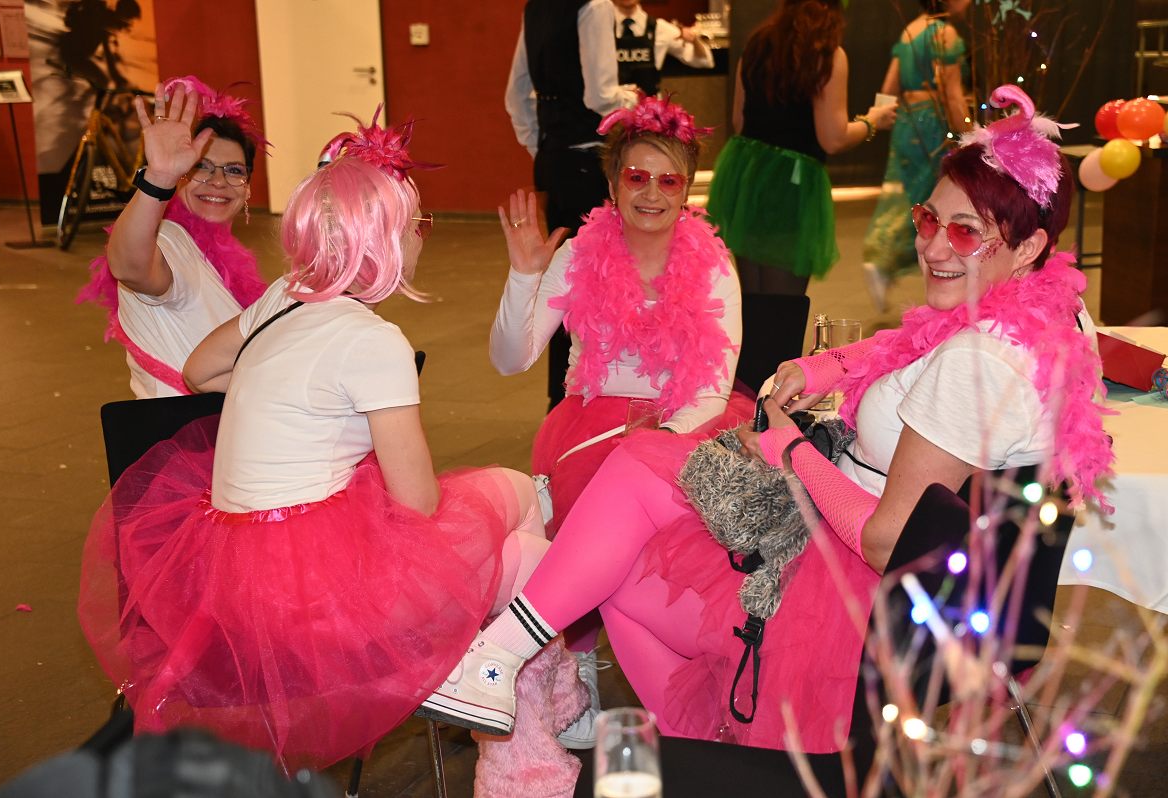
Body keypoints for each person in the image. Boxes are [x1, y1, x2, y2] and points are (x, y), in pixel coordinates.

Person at [418, 85, 1113, 755]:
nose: (933, 247)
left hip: (857, 599)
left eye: (965, 232)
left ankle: (681, 740)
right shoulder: (1041, 317)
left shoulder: (979, 365)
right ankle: (518, 666)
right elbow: (911, 340)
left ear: (1026, 249)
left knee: (620, 558)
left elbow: (885, 541)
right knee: (633, 482)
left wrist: (790, 452)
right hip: (897, 571)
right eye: (928, 220)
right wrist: (829, 365)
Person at [77, 113, 553, 770]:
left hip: (225, 582)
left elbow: (199, 371)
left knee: (524, 548)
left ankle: (505, 697)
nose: (422, 237)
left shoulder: (283, 297)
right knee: (522, 505)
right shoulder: (373, 341)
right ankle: (513, 714)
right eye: (416, 224)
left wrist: (290, 385)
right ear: (383, 239)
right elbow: (417, 503)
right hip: (308, 600)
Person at [488, 94, 751, 747]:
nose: (652, 194)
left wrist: (658, 444)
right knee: (586, 501)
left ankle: (694, 672)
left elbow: (714, 389)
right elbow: (511, 359)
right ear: (612, 183)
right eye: (637, 176)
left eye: (670, 181)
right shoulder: (580, 253)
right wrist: (522, 277)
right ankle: (577, 673)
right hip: (591, 425)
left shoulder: (714, 264)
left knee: (682, 533)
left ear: (687, 189)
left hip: (684, 423)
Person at [77, 76, 268, 398]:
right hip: (189, 425)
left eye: (234, 170)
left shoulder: (226, 256)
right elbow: (129, 267)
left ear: (248, 187)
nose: (218, 181)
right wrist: (158, 179)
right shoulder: (169, 241)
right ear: (181, 175)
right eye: (201, 167)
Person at [705, 0, 897, 297]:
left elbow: (739, 122)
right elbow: (833, 138)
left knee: (752, 300)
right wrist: (872, 121)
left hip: (747, 177)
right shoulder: (827, 55)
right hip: (791, 186)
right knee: (784, 306)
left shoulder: (758, 43)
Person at [505, 0, 639, 410]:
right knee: (597, 282)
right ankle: (591, 394)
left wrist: (542, 148)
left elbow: (515, 96)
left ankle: (561, 398)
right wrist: (635, 99)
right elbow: (602, 96)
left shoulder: (537, 6)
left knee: (563, 281)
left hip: (556, 160)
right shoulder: (595, 5)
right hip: (589, 162)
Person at [863, 0, 971, 311]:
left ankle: (882, 258)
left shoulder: (910, 29)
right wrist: (969, 136)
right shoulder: (945, 34)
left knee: (909, 195)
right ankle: (887, 261)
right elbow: (952, 95)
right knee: (932, 200)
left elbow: (888, 87)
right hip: (931, 125)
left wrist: (879, 120)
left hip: (906, 123)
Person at [611, 0, 715, 98]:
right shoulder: (603, 27)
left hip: (650, 106)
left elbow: (704, 61)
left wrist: (694, 40)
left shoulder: (660, 28)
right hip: (611, 106)